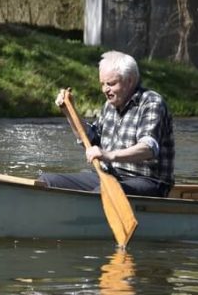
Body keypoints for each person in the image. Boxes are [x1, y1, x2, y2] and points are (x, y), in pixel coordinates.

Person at [39, 50, 175, 197]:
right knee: (47, 181)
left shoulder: (151, 102)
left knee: (103, 192)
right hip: (108, 176)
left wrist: (108, 155)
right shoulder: (109, 105)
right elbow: (90, 139)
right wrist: (69, 112)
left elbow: (149, 148)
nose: (105, 90)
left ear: (130, 80)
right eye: (102, 84)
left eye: (111, 84)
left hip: (148, 181)